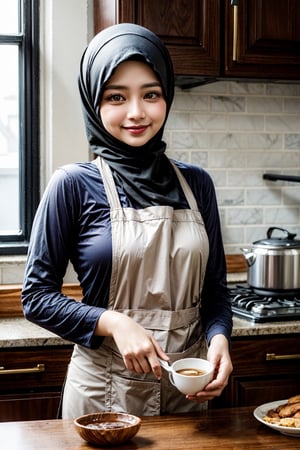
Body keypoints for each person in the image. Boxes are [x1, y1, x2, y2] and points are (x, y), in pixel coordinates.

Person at [21, 23, 233, 418]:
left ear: (166, 96)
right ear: (93, 102)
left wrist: (219, 339)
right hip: (102, 394)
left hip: (185, 392)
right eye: (116, 96)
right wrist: (113, 322)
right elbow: (36, 298)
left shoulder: (197, 184)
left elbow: (216, 293)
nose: (136, 112)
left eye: (150, 94)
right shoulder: (72, 185)